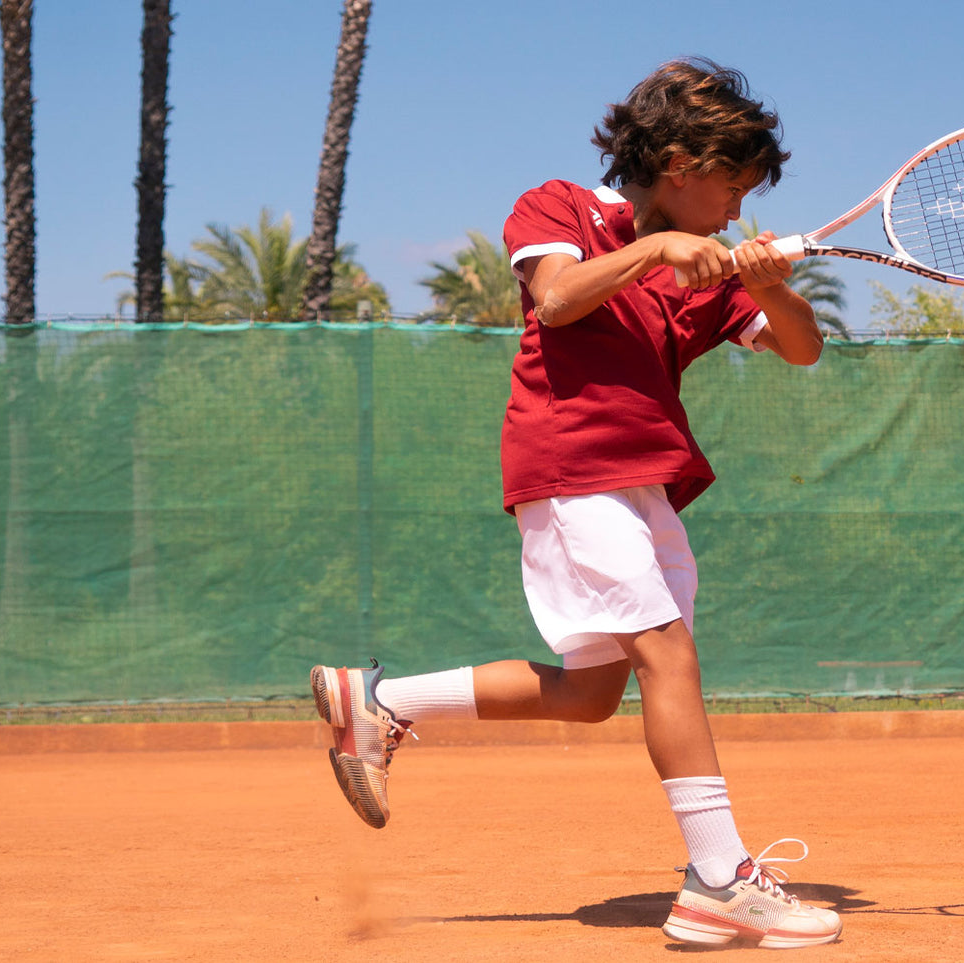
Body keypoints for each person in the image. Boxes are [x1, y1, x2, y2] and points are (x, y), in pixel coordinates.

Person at [310, 57, 841, 950]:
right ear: (681, 162)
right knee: (668, 655)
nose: (737, 212)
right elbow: (555, 300)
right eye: (732, 188)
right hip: (571, 466)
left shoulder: (708, 269)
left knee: (595, 691)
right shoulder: (559, 207)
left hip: (644, 483)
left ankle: (380, 698)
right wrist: (658, 249)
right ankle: (718, 880)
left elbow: (801, 349)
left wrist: (763, 281)